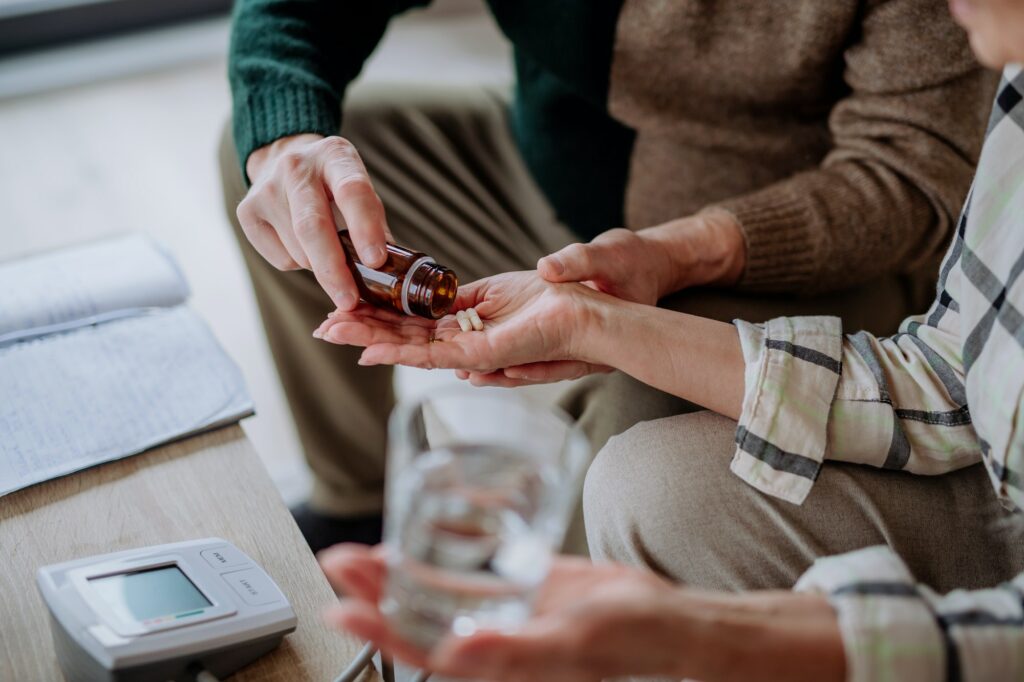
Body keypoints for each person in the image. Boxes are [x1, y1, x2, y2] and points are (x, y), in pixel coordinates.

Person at [315, 0, 1024, 678]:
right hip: (568, 199)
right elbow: (948, 375)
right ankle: (351, 503)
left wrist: (704, 638)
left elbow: (906, 175)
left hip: (798, 244)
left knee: (634, 443)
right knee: (639, 472)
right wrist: (595, 324)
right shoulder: (1015, 96)